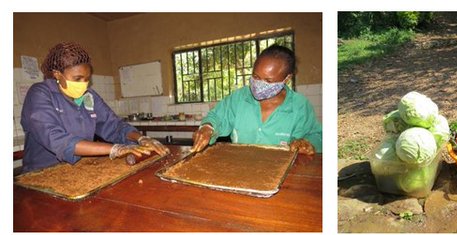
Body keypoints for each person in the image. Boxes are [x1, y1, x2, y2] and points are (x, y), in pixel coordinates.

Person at [20, 42, 168, 173]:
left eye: (87, 79)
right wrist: (115, 149)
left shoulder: (88, 96)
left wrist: (141, 138)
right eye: (77, 79)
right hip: (41, 173)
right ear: (58, 74)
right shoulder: (40, 93)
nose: (84, 84)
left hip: (78, 169)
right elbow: (57, 139)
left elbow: (114, 125)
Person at [190, 44, 321, 156]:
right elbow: (216, 117)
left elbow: (316, 135)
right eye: (256, 76)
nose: (259, 84)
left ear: (286, 79)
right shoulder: (239, 98)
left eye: (268, 81)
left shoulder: (299, 106)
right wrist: (207, 128)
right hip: (240, 169)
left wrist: (308, 143)